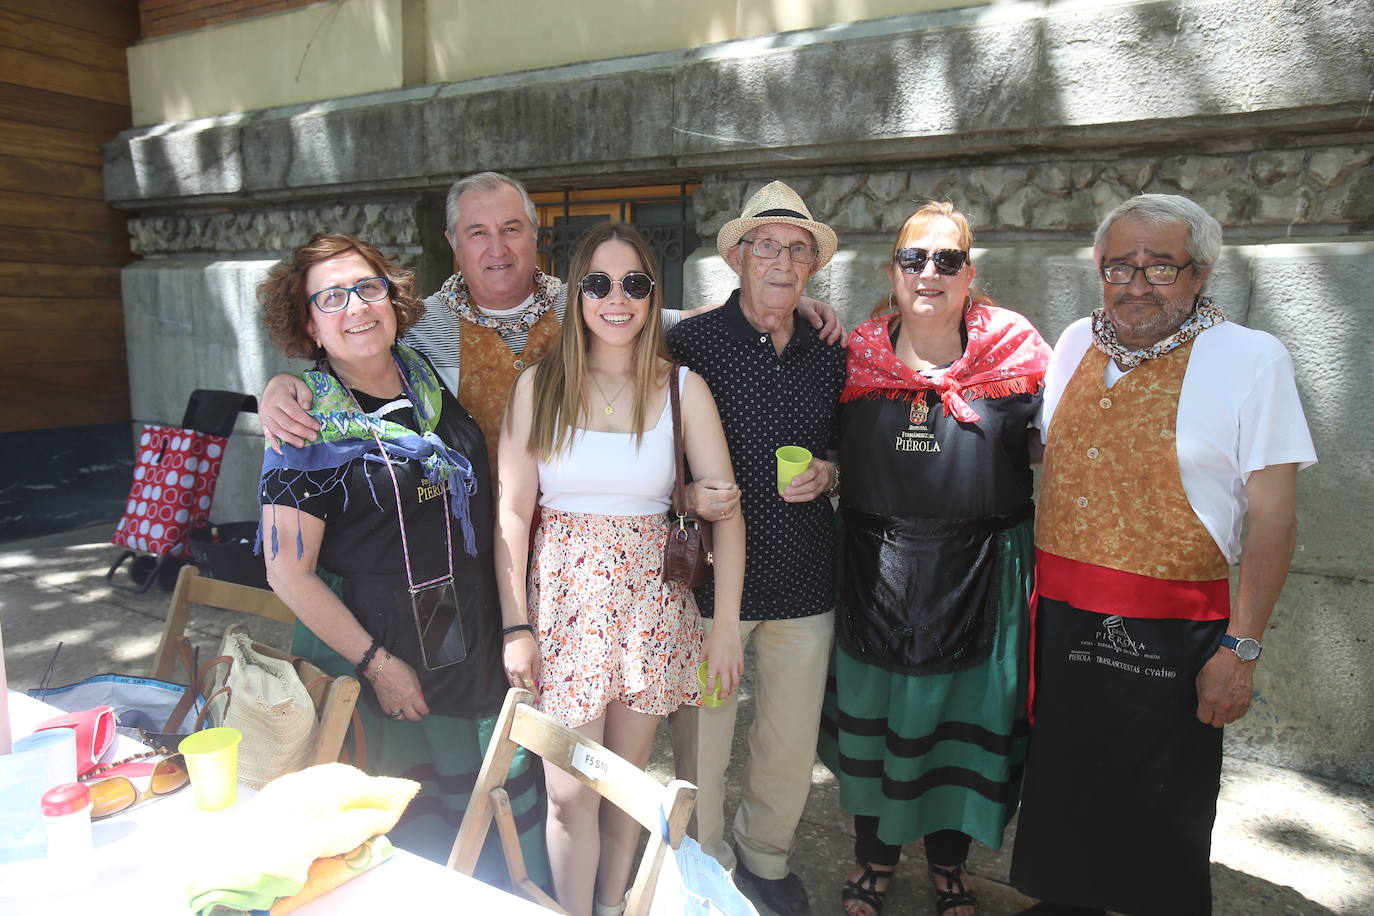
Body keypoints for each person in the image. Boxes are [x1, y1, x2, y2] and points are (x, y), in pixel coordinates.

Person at [1010, 194, 1317, 916]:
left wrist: (1241, 648)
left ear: (1200, 272)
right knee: (1064, 773)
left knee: (1162, 797)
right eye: (1120, 266)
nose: (1136, 284)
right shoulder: (1073, 343)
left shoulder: (1251, 359)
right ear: (1099, 267)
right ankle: (1067, 903)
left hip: (1174, 627)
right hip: (1060, 614)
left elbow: (1275, 521)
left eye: (1160, 268)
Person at [258, 171, 842, 521]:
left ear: (535, 235)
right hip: (471, 535)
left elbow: (685, 320)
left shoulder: (590, 300)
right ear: (452, 241)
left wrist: (783, 303)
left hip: (574, 535)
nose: (497, 248)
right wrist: (284, 386)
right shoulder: (419, 326)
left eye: (511, 229)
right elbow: (354, 363)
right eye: (478, 232)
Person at [255, 234, 546, 882]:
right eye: (331, 298)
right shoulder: (305, 426)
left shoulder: (420, 374)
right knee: (414, 841)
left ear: (391, 297)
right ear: (309, 324)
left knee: (492, 814)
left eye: (367, 288)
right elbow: (286, 572)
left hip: (462, 637)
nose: (356, 307)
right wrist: (378, 666)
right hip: (385, 663)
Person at [496, 222, 746, 916]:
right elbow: (512, 513)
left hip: (649, 611)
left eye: (634, 284)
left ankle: (612, 907)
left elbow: (727, 510)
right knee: (568, 790)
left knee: (624, 785)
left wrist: (725, 628)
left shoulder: (682, 389)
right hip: (565, 610)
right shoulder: (539, 387)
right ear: (575, 294)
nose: (617, 298)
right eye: (598, 283)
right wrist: (516, 625)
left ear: (652, 296)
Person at [819, 202, 1051, 916]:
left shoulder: (1017, 351)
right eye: (914, 258)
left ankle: (950, 867)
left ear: (970, 274)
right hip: (875, 566)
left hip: (983, 571)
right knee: (878, 716)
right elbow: (828, 440)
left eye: (947, 259)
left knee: (961, 720)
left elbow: (1062, 443)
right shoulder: (853, 352)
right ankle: (874, 860)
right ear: (891, 271)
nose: (929, 272)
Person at [666, 181, 846, 915]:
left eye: (796, 249)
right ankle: (702, 860)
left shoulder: (829, 348)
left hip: (805, 575)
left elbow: (845, 442)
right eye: (765, 245)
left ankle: (766, 856)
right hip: (714, 584)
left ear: (813, 266)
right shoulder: (690, 343)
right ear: (737, 258)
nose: (781, 260)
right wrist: (684, 493)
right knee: (703, 734)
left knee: (788, 736)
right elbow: (649, 449)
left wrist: (832, 472)